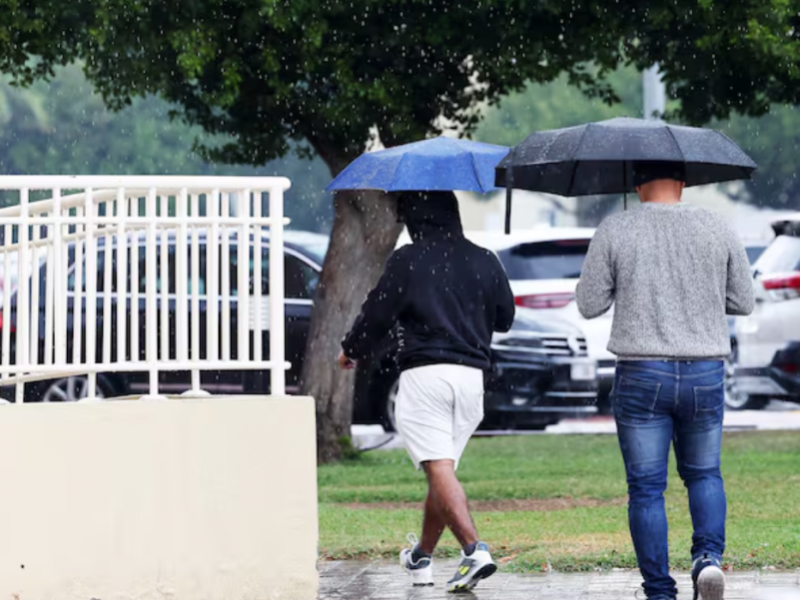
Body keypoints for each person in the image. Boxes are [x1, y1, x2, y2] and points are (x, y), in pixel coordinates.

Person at [576, 161, 755, 600]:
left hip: (642, 372)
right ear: (683, 182)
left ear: (637, 185)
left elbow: (589, 304)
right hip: (705, 370)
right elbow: (743, 301)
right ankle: (707, 559)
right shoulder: (717, 226)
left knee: (645, 489)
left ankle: (659, 590)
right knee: (705, 474)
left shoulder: (615, 228)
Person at [338, 190, 515, 593]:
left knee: (439, 470)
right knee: (442, 472)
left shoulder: (408, 260)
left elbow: (377, 313)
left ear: (415, 218)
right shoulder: (485, 259)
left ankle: (474, 551)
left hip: (426, 378)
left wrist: (352, 349)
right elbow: (505, 318)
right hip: (472, 382)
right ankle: (421, 557)